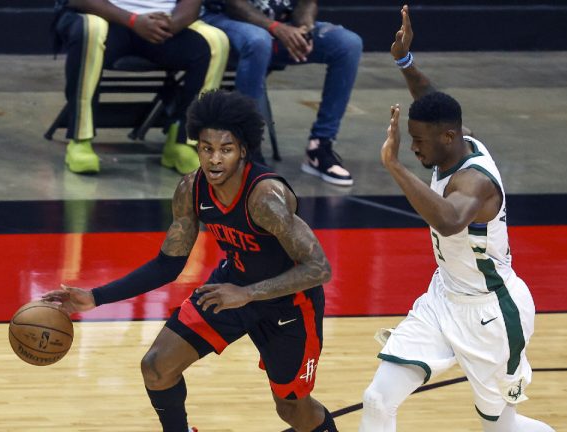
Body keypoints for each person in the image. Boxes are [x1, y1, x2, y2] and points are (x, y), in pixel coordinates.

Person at [43, 90, 338, 432]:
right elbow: (168, 264)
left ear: (243, 150)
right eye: (207, 148)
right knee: (157, 367)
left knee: (292, 410)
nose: (215, 159)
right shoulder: (191, 190)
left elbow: (319, 268)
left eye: (226, 149)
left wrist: (248, 294)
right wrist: (96, 297)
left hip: (288, 304)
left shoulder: (264, 198)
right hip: (229, 289)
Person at [358, 6, 555, 432]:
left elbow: (449, 221)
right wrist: (404, 61)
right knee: (377, 399)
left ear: (448, 137)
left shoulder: (475, 183)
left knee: (502, 428)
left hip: (491, 313)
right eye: (411, 140)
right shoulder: (455, 139)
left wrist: (394, 166)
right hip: (443, 297)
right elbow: (430, 100)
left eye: (418, 141)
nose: (414, 147)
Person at [53, 0, 229, 175]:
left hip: (164, 24)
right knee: (90, 29)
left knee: (216, 42)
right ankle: (80, 140)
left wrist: (171, 25)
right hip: (109, 18)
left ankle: (184, 142)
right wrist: (133, 21)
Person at [200, 0, 362, 186]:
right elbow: (234, 5)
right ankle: (246, 150)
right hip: (226, 21)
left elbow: (307, 3)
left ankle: (320, 146)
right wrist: (276, 28)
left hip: (278, 28)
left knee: (348, 44)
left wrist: (304, 28)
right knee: (258, 41)